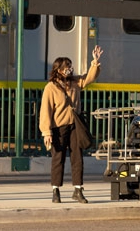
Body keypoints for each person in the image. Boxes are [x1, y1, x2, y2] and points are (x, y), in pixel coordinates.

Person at [39, 45, 104, 204]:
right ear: (59, 70)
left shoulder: (75, 83)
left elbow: (90, 77)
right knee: (58, 158)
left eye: (70, 66)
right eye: (67, 67)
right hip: (58, 128)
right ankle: (56, 190)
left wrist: (94, 62)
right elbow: (45, 111)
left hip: (75, 125)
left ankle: (78, 190)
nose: (70, 69)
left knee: (77, 158)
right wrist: (46, 132)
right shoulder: (51, 87)